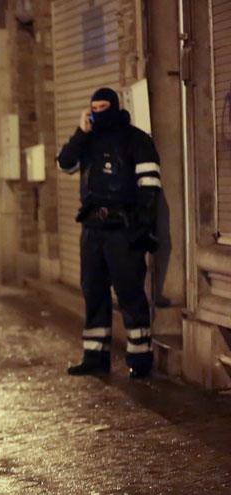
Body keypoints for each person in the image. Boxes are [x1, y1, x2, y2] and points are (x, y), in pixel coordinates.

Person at [57, 87, 162, 379]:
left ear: (115, 107)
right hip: (92, 229)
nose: (98, 112)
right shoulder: (87, 141)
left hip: (123, 230)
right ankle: (94, 356)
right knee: (93, 292)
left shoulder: (137, 140)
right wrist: (81, 132)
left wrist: (142, 229)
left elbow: (150, 187)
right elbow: (64, 163)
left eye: (103, 106)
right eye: (94, 107)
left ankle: (140, 360)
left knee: (130, 294)